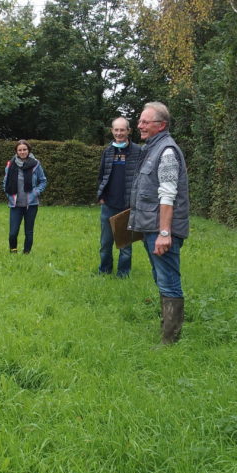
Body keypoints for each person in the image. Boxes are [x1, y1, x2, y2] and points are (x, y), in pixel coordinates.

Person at [129, 102, 190, 344]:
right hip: (151, 228)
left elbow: (168, 194)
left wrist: (165, 232)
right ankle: (167, 329)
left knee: (169, 282)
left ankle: (170, 340)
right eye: (140, 121)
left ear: (161, 125)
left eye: (146, 122)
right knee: (161, 278)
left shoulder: (166, 152)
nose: (140, 126)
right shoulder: (152, 149)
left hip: (161, 230)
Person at [97, 117, 142, 277]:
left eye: (122, 130)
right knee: (105, 243)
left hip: (127, 205)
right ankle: (104, 271)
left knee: (125, 244)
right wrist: (101, 196)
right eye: (116, 130)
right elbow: (101, 175)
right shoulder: (108, 151)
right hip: (108, 204)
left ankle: (123, 274)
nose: (119, 133)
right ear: (112, 131)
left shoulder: (138, 151)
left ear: (129, 131)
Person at [2, 140, 47, 253]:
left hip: (31, 204)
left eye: (24, 149)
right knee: (13, 232)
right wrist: (9, 195)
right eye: (20, 150)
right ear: (16, 152)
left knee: (29, 231)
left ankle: (26, 253)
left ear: (29, 150)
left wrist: (36, 192)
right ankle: (13, 251)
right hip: (15, 204)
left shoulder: (36, 164)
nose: (22, 152)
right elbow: (5, 182)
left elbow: (43, 181)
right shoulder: (10, 165)